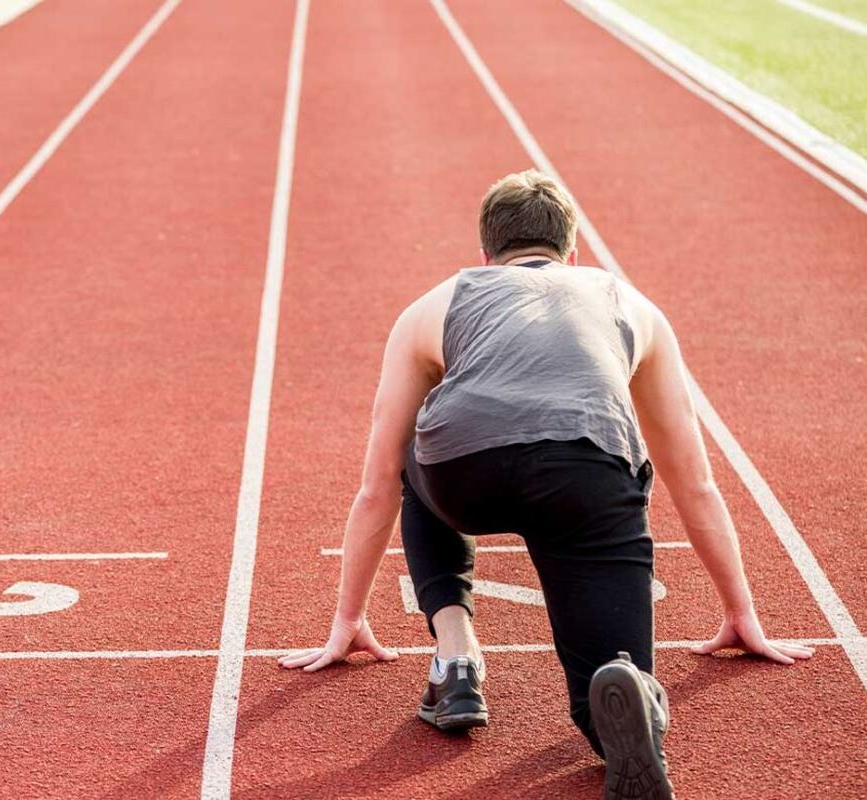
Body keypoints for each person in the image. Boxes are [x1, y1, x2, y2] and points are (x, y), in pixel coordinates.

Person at [278, 169, 813, 800]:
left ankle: (457, 660)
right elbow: (693, 482)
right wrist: (740, 610)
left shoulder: (436, 303)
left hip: (461, 473)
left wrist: (347, 618)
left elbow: (375, 485)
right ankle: (622, 696)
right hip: (585, 475)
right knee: (611, 680)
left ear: (484, 256)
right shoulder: (629, 303)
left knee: (410, 465)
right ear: (573, 254)